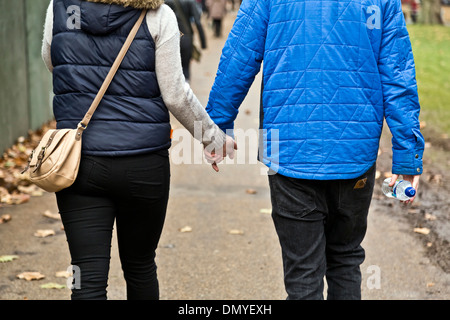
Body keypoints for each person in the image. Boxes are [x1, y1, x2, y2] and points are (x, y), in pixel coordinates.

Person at [204, 0, 424, 300]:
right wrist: (408, 154)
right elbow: (397, 73)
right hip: (354, 151)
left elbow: (239, 56)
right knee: (345, 258)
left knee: (303, 274)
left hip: (288, 150)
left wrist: (214, 129)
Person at [41, 0, 234, 300]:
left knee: (85, 275)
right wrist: (213, 139)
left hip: (80, 161)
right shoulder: (158, 14)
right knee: (141, 265)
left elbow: (51, 60)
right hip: (144, 164)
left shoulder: (60, 8)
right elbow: (175, 94)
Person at [165, 0, 207, 82]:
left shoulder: (166, 1)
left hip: (170, 36)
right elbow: (198, 22)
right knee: (186, 67)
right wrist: (203, 43)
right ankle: (185, 89)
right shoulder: (190, 1)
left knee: (172, 68)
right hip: (186, 37)